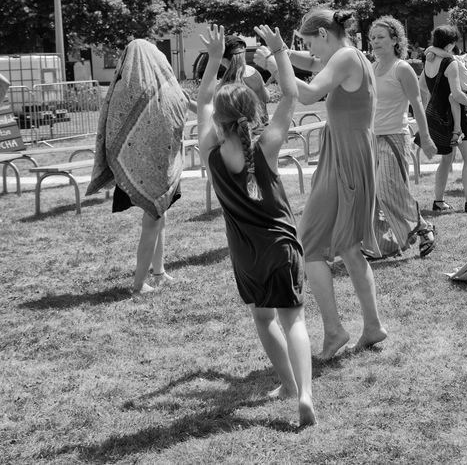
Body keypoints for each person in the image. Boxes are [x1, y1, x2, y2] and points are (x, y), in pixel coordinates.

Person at [196, 23, 316, 427]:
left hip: (245, 256)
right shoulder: (266, 147)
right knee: (293, 319)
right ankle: (305, 395)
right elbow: (292, 96)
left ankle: (286, 384)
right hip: (281, 246)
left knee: (264, 320)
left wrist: (215, 60)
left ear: (220, 119)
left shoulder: (209, 153)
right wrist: (280, 52)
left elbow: (202, 101)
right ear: (250, 113)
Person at [277, 6, 386, 359]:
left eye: (311, 42)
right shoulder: (349, 56)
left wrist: (277, 58)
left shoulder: (344, 58)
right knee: (350, 248)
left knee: (307, 245)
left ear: (324, 35)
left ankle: (335, 332)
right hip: (350, 154)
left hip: (346, 158)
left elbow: (308, 94)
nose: (310, 51)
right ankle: (371, 327)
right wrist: (279, 50)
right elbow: (311, 65)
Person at [87, 39, 188, 294]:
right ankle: (138, 284)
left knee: (158, 217)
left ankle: (159, 271)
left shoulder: (122, 89)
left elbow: (110, 126)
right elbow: (180, 112)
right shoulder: (167, 87)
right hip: (158, 167)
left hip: (137, 164)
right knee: (152, 220)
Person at [366, 16, 437, 259]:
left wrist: (425, 138)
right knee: (374, 194)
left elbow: (417, 104)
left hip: (395, 137)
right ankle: (384, 244)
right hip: (371, 139)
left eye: (381, 37)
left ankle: (422, 226)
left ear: (395, 39)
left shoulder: (402, 68)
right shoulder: (371, 68)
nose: (375, 42)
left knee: (387, 190)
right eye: (372, 37)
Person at [421, 25, 467, 212]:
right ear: (450, 45)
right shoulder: (451, 62)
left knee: (446, 161)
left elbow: (422, 86)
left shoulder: (429, 60)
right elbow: (456, 95)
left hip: (437, 115)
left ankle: (439, 201)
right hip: (454, 116)